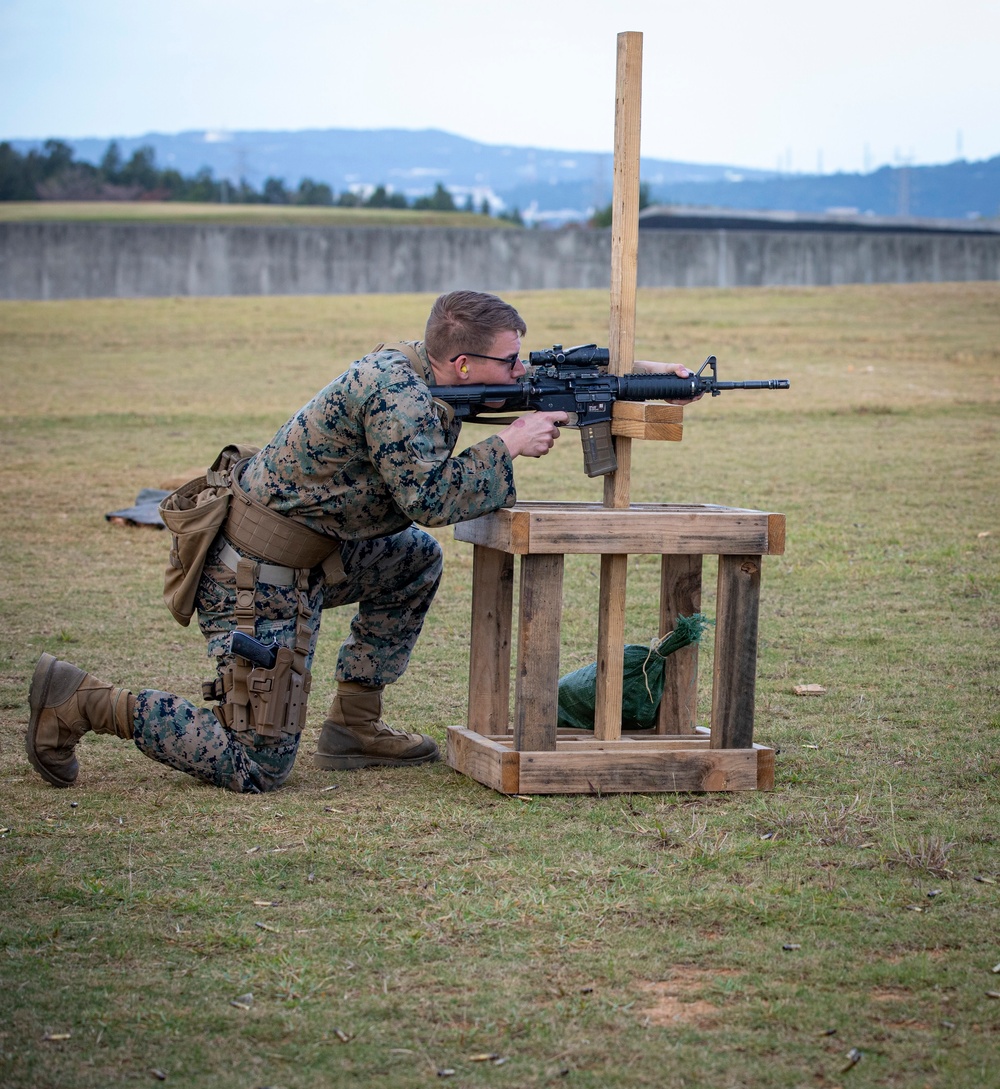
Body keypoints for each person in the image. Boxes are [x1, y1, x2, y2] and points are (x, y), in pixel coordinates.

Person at [26, 290, 695, 794]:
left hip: (314, 554)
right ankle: (81, 699)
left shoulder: (430, 370)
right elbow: (429, 499)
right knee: (255, 762)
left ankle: (355, 722)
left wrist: (642, 375)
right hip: (254, 574)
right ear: (462, 363)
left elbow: (549, 372)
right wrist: (508, 445)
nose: (522, 372)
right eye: (509, 360)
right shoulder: (396, 396)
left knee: (412, 563)